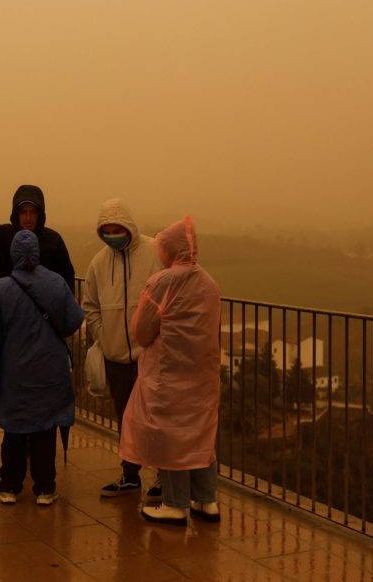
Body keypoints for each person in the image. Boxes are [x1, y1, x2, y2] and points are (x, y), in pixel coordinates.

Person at [118, 216, 223, 525]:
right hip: (202, 375)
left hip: (167, 376)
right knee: (199, 434)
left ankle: (175, 504)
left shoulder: (161, 282)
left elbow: (142, 331)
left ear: (170, 250)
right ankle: (207, 500)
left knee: (171, 437)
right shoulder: (209, 283)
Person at [0, 230, 85, 505]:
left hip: (14, 372)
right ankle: (45, 488)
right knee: (45, 429)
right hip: (50, 370)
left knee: (14, 429)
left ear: (13, 254)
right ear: (36, 253)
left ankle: (9, 486)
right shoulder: (57, 283)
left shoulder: (2, 288)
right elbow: (73, 321)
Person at [82, 198, 163, 499]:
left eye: (117, 229)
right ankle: (130, 475)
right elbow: (90, 304)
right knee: (125, 418)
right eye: (107, 230)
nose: (112, 234)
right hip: (115, 356)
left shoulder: (155, 252)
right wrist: (104, 337)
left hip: (150, 356)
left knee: (155, 419)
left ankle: (162, 478)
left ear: (129, 226)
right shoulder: (99, 263)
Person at [0, 186, 75, 291]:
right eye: (23, 212)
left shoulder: (54, 241)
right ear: (16, 214)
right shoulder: (4, 236)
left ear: (40, 214)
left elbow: (67, 278)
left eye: (33, 212)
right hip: (8, 310)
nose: (28, 218)